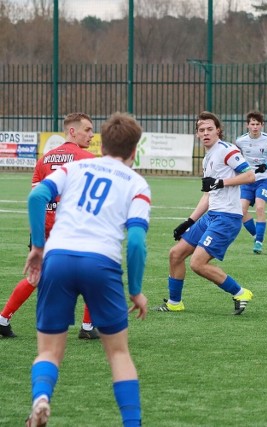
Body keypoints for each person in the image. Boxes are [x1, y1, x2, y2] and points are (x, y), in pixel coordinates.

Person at [22, 112, 150, 426]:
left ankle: (41, 398)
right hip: (101, 263)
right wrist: (135, 289)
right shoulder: (137, 183)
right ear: (134, 151)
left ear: (100, 143)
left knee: (49, 351)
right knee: (118, 354)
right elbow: (135, 243)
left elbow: (37, 195)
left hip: (59, 257)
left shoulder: (74, 167)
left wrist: (38, 247)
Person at [0, 112, 99, 340]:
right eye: (87, 130)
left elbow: (36, 197)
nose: (92, 135)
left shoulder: (44, 159)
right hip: (71, 228)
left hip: (44, 228)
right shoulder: (87, 159)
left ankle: (3, 319)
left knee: (36, 277)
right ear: (72, 131)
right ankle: (86, 327)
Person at [154, 111, 256, 314]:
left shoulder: (227, 150)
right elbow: (209, 195)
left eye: (210, 129)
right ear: (197, 134)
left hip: (227, 218)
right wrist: (188, 221)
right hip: (211, 216)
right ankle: (175, 303)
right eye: (202, 130)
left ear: (218, 130)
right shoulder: (208, 157)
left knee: (197, 263)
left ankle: (240, 292)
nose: (206, 133)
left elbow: (250, 175)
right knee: (175, 254)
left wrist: (221, 182)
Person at [234, 110, 267, 254]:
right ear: (247, 125)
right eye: (252, 124)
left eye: (257, 124)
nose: (255, 127)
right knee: (241, 211)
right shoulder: (240, 141)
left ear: (262, 125)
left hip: (264, 179)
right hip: (247, 179)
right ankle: (256, 235)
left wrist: (266, 166)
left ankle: (259, 242)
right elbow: (236, 159)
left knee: (260, 208)